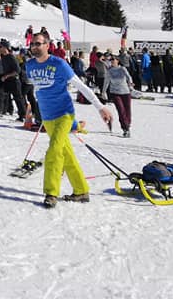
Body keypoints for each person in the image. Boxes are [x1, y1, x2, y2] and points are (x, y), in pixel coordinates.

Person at [25, 32, 112, 208]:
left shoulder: (59, 64)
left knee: (54, 151)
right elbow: (37, 89)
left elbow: (81, 86)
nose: (34, 47)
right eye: (32, 44)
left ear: (47, 45)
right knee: (66, 154)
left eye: (38, 43)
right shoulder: (30, 65)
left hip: (64, 114)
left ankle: (51, 193)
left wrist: (100, 107)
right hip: (47, 116)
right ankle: (81, 190)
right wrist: (32, 111)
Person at [103, 55, 133, 137]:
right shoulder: (109, 71)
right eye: (111, 60)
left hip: (125, 92)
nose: (112, 61)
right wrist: (103, 92)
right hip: (115, 92)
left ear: (118, 61)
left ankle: (128, 124)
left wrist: (130, 84)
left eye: (113, 59)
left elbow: (129, 77)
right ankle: (125, 128)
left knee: (127, 110)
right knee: (121, 110)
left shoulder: (122, 69)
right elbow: (106, 81)